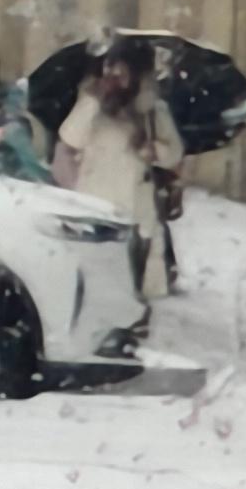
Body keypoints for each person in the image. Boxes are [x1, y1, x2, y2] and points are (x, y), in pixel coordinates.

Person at [51, 38, 186, 298]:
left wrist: (151, 149)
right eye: (110, 70)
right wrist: (92, 102)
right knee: (92, 280)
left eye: (121, 73)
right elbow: (70, 138)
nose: (114, 78)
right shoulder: (91, 104)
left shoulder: (152, 112)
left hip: (137, 210)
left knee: (132, 285)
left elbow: (174, 153)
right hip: (94, 203)